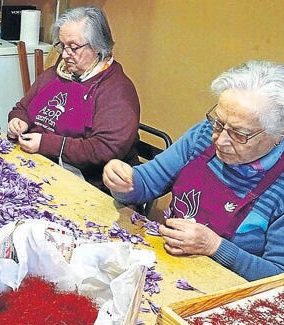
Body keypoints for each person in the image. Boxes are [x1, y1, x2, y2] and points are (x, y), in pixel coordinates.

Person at [103, 60, 284, 282]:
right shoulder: (203, 135)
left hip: (222, 297)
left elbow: (277, 277)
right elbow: (146, 183)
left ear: (278, 135)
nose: (220, 140)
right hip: (166, 270)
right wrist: (123, 181)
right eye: (219, 123)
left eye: (239, 134)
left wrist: (215, 247)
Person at [7, 6, 140, 192]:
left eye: (73, 47)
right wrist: (18, 120)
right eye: (62, 46)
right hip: (38, 167)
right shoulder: (57, 73)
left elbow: (103, 149)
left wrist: (46, 144)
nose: (64, 54)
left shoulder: (117, 91)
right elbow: (22, 107)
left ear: (98, 46)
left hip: (86, 185)